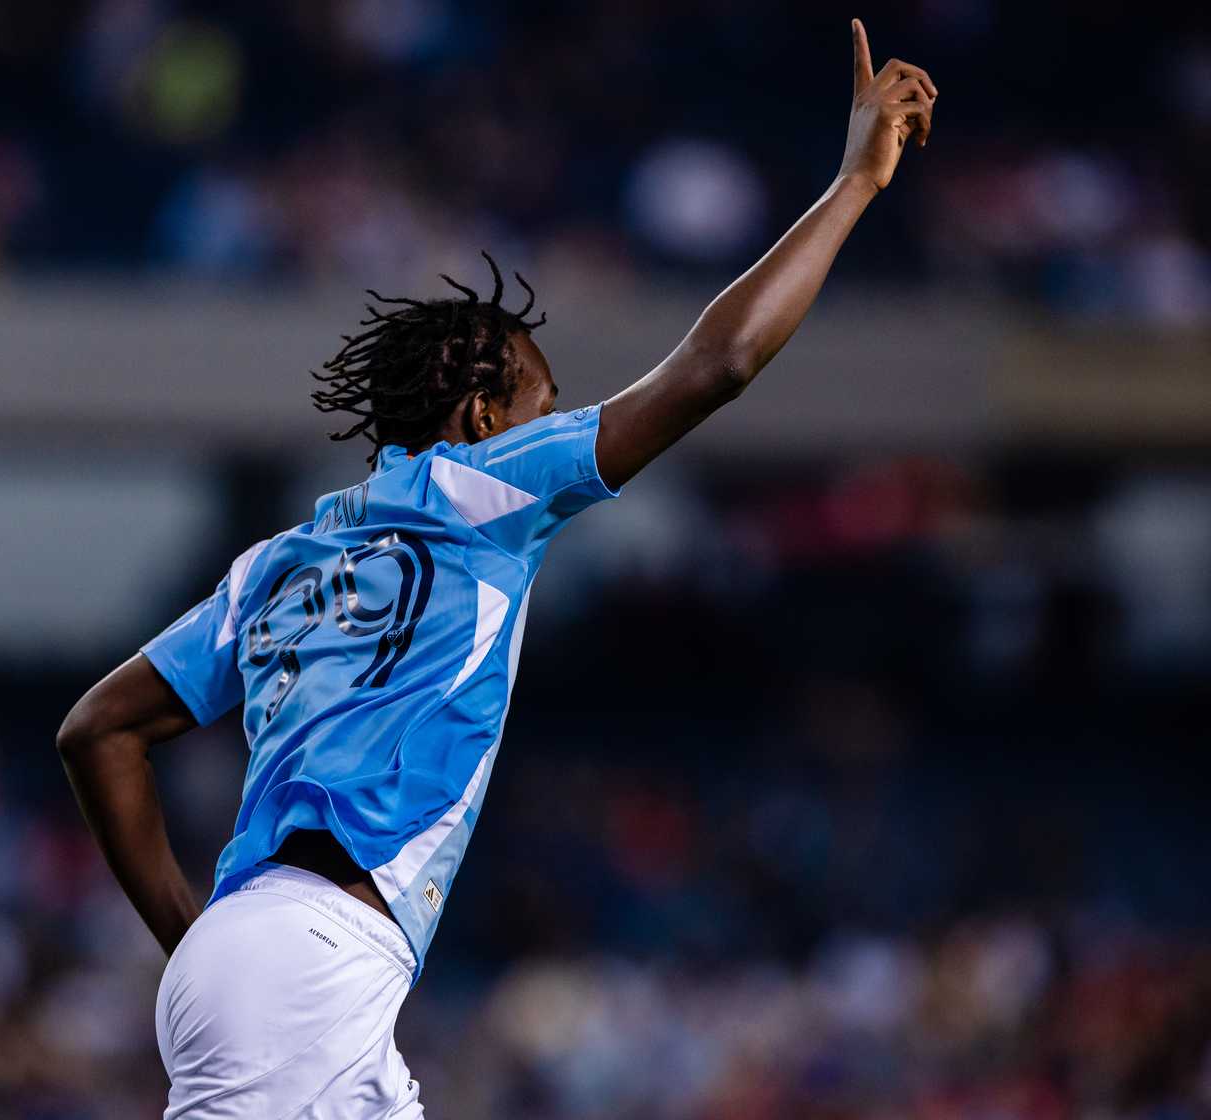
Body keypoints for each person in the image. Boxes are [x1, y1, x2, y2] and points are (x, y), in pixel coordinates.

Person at [57, 20, 936, 1118]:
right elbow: (721, 362)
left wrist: (202, 939)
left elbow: (97, 727)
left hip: (270, 958)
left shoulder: (274, 564)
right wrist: (854, 183)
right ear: (482, 415)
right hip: (309, 961)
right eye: (538, 399)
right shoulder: (486, 487)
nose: (552, 419)